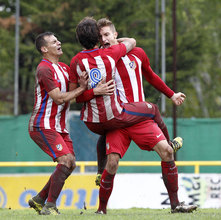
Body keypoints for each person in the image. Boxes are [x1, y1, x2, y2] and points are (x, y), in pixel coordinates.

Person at [27, 32, 113, 215]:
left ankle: (39, 199)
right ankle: (49, 207)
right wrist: (82, 88)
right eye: (53, 41)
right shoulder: (44, 69)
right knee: (66, 160)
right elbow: (59, 98)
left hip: (59, 126)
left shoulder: (65, 69)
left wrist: (92, 88)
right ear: (44, 49)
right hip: (42, 125)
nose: (59, 42)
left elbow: (73, 97)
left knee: (70, 163)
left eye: (58, 39)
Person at [94, 17, 186, 184]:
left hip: (139, 117)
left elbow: (150, 76)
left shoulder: (137, 53)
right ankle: (101, 188)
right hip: (119, 114)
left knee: (166, 151)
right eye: (100, 37)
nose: (104, 40)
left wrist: (172, 94)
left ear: (116, 34)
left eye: (107, 35)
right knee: (112, 160)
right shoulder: (101, 59)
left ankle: (175, 203)